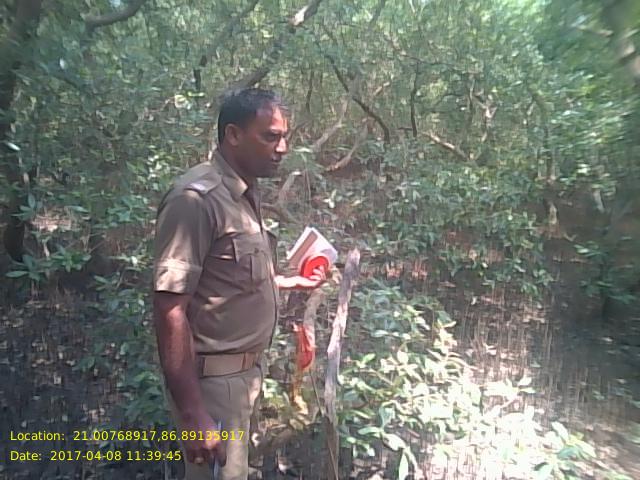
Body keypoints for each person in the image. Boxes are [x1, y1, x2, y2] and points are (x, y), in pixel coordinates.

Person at [152, 88, 326, 479]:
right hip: (213, 387)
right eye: (270, 137)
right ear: (232, 134)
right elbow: (169, 308)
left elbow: (226, 280)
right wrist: (193, 413)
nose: (282, 148)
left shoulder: (243, 193)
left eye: (284, 137)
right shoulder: (195, 200)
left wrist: (287, 282)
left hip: (246, 378)